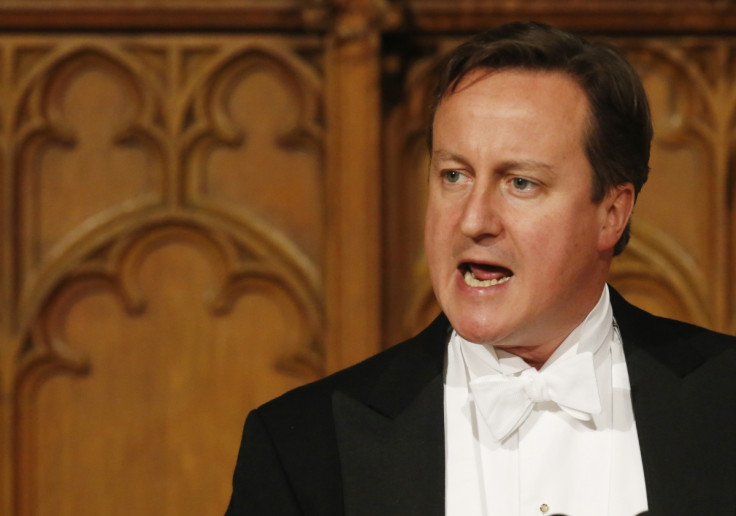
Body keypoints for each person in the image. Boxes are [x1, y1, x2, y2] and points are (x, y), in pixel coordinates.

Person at [225, 22, 736, 516]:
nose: (473, 220)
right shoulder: (303, 446)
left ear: (611, 213)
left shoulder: (723, 406)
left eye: (520, 183)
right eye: (454, 175)